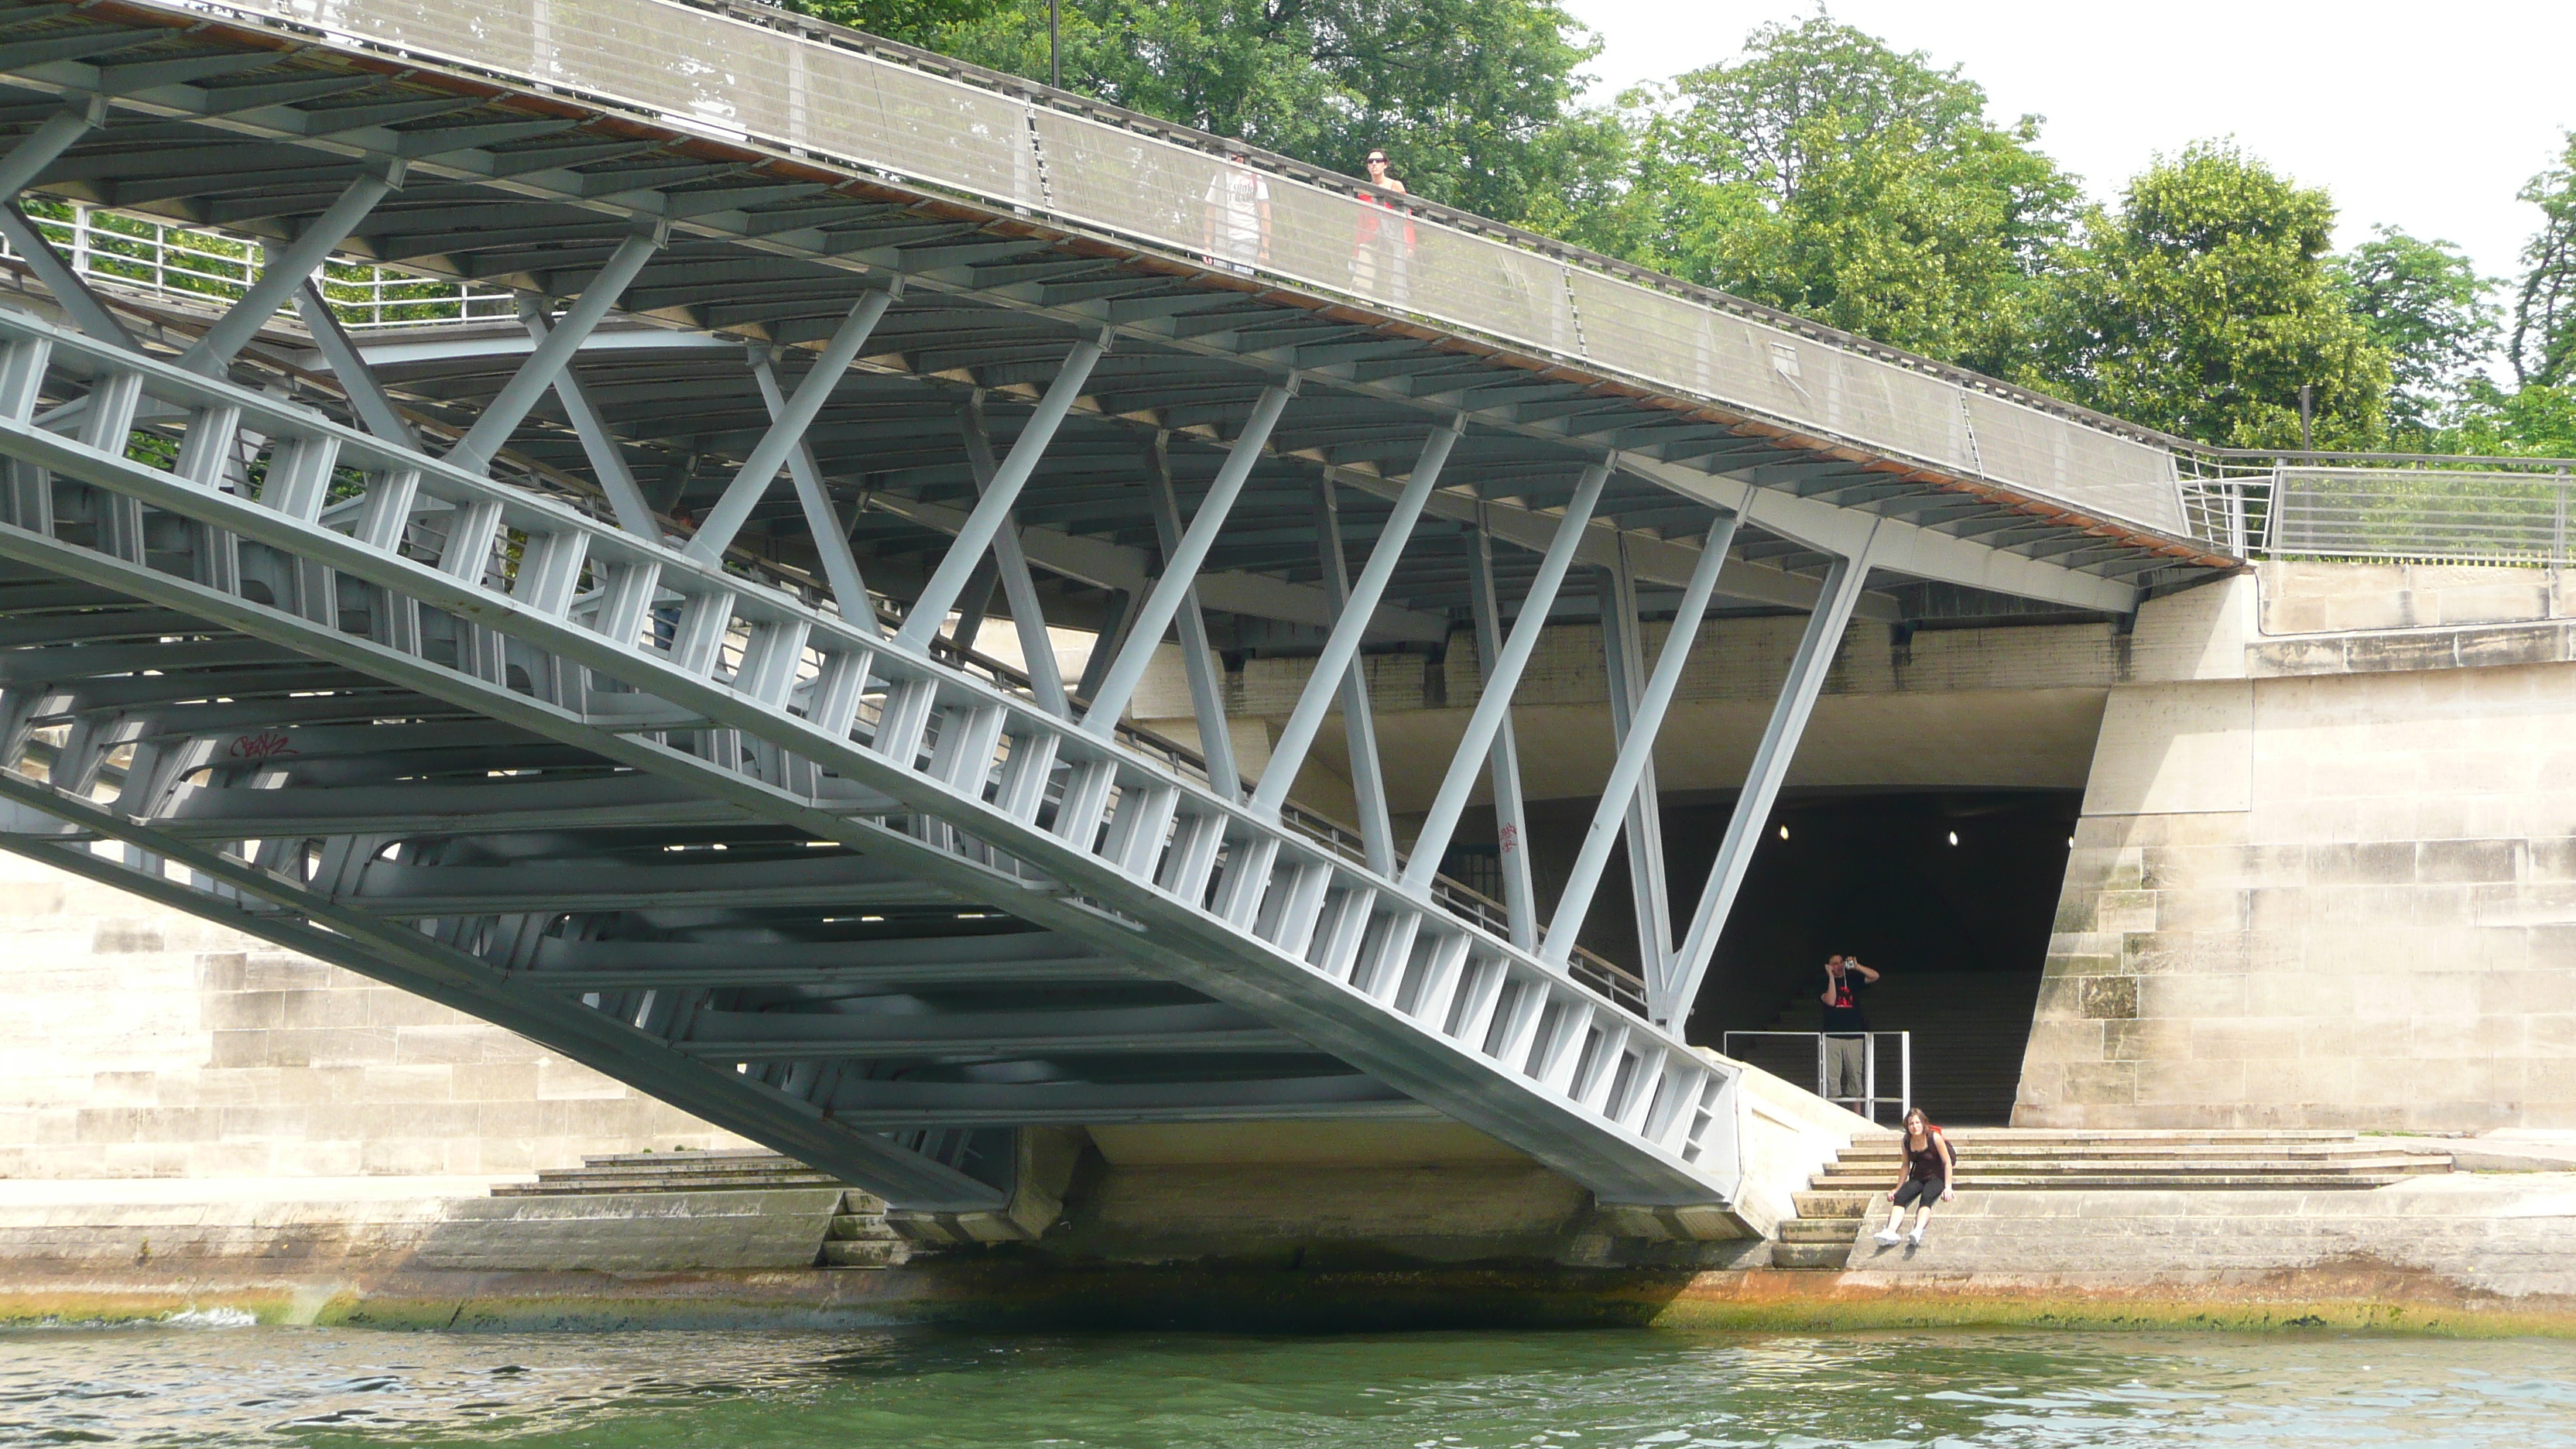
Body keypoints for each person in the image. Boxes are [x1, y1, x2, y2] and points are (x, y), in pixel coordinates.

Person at [1874, 1106, 1955, 1247]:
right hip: (1918, 1177)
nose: (1915, 1127)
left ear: (1924, 1123)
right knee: (1900, 1198)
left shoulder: (1934, 1138)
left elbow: (1947, 1162)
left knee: (1927, 1197)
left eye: (1918, 1123)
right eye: (1911, 1124)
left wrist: (1948, 1187)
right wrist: (1898, 1188)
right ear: (1907, 1126)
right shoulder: (1906, 1141)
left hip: (1937, 1177)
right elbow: (1905, 1165)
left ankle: (1918, 1230)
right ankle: (1890, 1231)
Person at [1818, 954, 1879, 1108]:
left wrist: (1857, 966)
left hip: (1854, 1034)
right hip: (1832, 1036)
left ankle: (1857, 1112)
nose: (1838, 966)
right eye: (1834, 964)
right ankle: (1833, 1110)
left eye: (1840, 963)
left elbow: (1875, 976)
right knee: (1832, 1076)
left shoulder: (1853, 979)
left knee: (1855, 1075)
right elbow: (1831, 1001)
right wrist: (1831, 978)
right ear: (1828, 966)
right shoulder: (1823, 982)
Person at [1351, 148, 1413, 301]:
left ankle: (1394, 316)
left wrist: (1410, 244)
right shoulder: (1364, 191)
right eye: (1370, 161)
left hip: (1391, 242)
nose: (1374, 164)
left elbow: (1407, 217)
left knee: (1391, 284)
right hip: (1370, 240)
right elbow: (1362, 222)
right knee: (1362, 281)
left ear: (1385, 164)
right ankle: (1363, 313)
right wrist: (1356, 249)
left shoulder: (1395, 186)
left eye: (1378, 161)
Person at [1201, 142, 1271, 276]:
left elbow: (1265, 215)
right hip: (1222, 240)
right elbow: (1210, 213)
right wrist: (1207, 245)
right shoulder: (1219, 178)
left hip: (1247, 238)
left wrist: (1264, 250)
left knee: (1242, 280)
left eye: (1237, 157)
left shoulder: (1255, 178)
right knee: (1221, 283)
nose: (1236, 161)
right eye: (1232, 158)